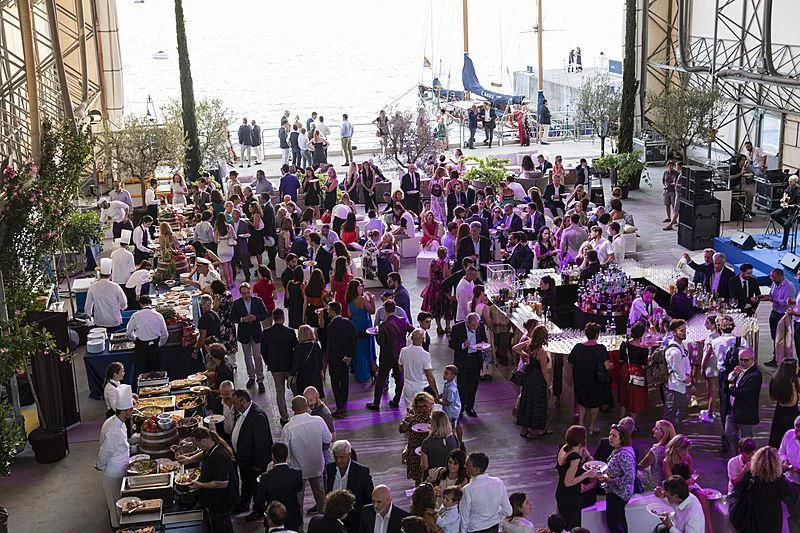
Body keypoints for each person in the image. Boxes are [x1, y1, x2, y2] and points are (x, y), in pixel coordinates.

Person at [284, 395, 333, 514]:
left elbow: (284, 450)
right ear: (307, 406)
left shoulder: (288, 428)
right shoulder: (318, 421)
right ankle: (323, 521)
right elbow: (328, 439)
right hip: (316, 467)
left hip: (298, 470)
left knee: (298, 501)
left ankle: (299, 527)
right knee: (321, 497)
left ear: (292, 409)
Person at [95, 385, 133, 530]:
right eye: (130, 410)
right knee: (115, 504)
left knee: (122, 501)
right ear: (124, 411)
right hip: (112, 472)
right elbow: (104, 453)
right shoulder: (113, 429)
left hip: (121, 467)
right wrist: (100, 465)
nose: (132, 412)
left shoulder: (117, 421)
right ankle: (117, 528)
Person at [732, 446, 793, 533]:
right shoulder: (778, 479)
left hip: (752, 518)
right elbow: (787, 496)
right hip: (771, 520)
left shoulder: (750, 475)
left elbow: (739, 491)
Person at [230, 389, 272, 515]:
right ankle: (244, 503)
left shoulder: (257, 416)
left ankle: (258, 509)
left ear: (243, 402)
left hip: (255, 462)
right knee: (246, 482)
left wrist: (258, 464)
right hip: (244, 459)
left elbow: (261, 443)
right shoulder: (243, 412)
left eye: (236, 403)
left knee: (256, 486)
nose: (234, 406)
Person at [368, 300, 412, 411]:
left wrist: (377, 335)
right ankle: (396, 400)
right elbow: (412, 330)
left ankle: (376, 402)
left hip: (387, 356)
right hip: (400, 354)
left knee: (381, 378)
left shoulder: (383, 326)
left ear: (385, 310)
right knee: (399, 378)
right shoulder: (403, 321)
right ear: (395, 309)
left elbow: (381, 342)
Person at [568, 322, 611, 434]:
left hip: (581, 379)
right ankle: (592, 427)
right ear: (597, 335)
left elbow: (570, 362)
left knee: (582, 402)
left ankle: (581, 424)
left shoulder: (578, 347)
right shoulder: (600, 348)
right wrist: (612, 366)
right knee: (594, 404)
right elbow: (607, 366)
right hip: (595, 380)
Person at [325, 440, 375, 533]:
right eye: (336, 457)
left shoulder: (362, 472)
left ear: (349, 455)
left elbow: (369, 498)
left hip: (354, 520)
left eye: (341, 457)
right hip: (333, 518)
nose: (338, 461)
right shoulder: (330, 469)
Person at [554, 425, 598, 530]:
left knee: (564, 524)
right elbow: (568, 482)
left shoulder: (564, 448)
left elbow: (565, 470)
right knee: (573, 526)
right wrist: (586, 474)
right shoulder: (574, 458)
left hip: (561, 492)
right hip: (570, 496)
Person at [459, 452, 512, 533]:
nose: (464, 466)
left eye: (467, 465)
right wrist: (492, 512)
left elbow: (464, 519)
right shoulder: (498, 482)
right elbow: (508, 511)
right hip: (494, 527)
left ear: (476, 469)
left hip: (475, 530)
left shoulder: (467, 490)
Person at [254, 443, 303, 529]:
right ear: (287, 455)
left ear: (273, 456)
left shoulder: (265, 477)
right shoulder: (297, 474)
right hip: (292, 517)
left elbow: (260, 500)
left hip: (273, 518)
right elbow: (299, 488)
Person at [598, 425, 636, 533]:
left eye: (614, 436)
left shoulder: (623, 455)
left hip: (619, 494)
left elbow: (630, 477)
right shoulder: (618, 449)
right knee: (620, 519)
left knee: (613, 523)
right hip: (616, 491)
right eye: (610, 434)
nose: (610, 437)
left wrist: (610, 480)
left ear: (622, 438)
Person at [230, 282, 268, 392]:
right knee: (247, 357)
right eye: (243, 293)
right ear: (240, 294)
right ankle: (251, 377)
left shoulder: (258, 301)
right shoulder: (236, 304)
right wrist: (242, 320)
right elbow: (232, 317)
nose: (246, 295)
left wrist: (255, 317)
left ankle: (260, 379)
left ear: (250, 291)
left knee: (257, 357)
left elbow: (265, 314)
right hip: (244, 334)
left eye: (247, 292)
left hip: (256, 333)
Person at [449, 313, 488, 417]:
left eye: (477, 326)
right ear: (467, 323)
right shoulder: (457, 328)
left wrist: (482, 345)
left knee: (473, 385)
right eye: (473, 326)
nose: (475, 328)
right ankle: (460, 408)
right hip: (463, 360)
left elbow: (484, 339)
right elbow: (451, 344)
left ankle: (470, 407)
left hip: (475, 359)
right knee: (462, 385)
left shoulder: (480, 327)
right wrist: (462, 345)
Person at [724, 347, 762, 451]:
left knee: (747, 441)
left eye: (746, 360)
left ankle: (747, 460)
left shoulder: (755, 375)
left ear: (752, 359)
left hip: (745, 412)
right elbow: (726, 381)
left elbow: (744, 393)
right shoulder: (738, 370)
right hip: (733, 409)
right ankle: (737, 454)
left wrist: (731, 388)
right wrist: (732, 375)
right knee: (728, 433)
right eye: (741, 359)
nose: (743, 362)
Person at [326, 301, 356, 417]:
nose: (327, 311)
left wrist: (342, 357)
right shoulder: (348, 323)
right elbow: (354, 340)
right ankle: (344, 401)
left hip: (335, 360)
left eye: (328, 310)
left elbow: (333, 345)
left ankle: (339, 407)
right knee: (344, 381)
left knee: (335, 383)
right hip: (347, 360)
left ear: (333, 311)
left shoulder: (331, 326)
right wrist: (349, 356)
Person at [125, 295, 168, 373]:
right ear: (151, 303)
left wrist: (134, 338)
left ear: (140, 304)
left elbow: (128, 333)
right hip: (154, 345)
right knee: (155, 371)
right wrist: (159, 344)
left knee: (141, 370)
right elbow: (165, 334)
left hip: (141, 346)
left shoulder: (136, 315)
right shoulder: (158, 315)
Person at [763, 268, 796, 367]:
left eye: (774, 277)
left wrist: (772, 299)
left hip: (783, 315)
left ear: (781, 276)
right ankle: (776, 357)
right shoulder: (774, 283)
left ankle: (783, 361)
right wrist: (765, 296)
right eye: (771, 277)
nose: (772, 279)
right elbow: (771, 295)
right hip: (774, 312)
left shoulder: (789, 286)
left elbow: (785, 303)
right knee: (774, 337)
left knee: (782, 339)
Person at [346, 280, 378, 384]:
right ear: (356, 289)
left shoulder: (349, 300)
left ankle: (359, 373)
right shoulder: (362, 299)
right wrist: (372, 300)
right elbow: (372, 311)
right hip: (365, 325)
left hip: (356, 327)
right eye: (360, 287)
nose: (361, 288)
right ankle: (369, 371)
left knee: (359, 349)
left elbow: (350, 315)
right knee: (368, 348)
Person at [400, 392, 435, 484]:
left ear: (429, 405)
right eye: (418, 407)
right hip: (414, 451)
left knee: (428, 476)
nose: (421, 409)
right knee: (417, 477)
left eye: (424, 406)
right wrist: (407, 421)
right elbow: (401, 430)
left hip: (428, 452)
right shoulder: (412, 415)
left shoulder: (434, 417)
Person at [399, 329, 439, 409]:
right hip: (421, 388)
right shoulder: (425, 355)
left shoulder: (403, 351)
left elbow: (400, 366)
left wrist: (408, 372)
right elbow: (429, 376)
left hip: (407, 387)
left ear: (412, 338)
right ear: (423, 339)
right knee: (422, 412)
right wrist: (435, 393)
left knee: (410, 410)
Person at [85, 258, 128, 329]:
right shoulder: (115, 286)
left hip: (99, 321)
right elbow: (123, 303)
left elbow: (88, 306)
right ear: (110, 275)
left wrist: (88, 316)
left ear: (99, 275)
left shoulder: (92, 286)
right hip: (114, 320)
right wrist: (122, 308)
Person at [420, 411, 459, 481]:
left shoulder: (427, 442)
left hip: (433, 477)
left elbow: (425, 466)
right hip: (450, 477)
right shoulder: (454, 438)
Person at [770, 359, 800, 448]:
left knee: (777, 439)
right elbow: (792, 401)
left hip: (779, 413)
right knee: (791, 441)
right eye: (796, 366)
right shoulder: (794, 382)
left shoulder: (776, 380)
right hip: (791, 415)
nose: (798, 368)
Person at [291, 325, 324, 397]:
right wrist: (321, 372)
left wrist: (292, 375)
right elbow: (320, 361)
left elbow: (295, 364)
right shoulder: (315, 346)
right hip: (315, 376)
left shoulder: (298, 348)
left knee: (305, 397)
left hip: (303, 377)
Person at [771, 174, 800, 251]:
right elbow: (785, 191)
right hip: (786, 208)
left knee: (786, 225)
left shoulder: (798, 191)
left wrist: (789, 206)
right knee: (773, 215)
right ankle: (786, 225)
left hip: (794, 211)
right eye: (789, 181)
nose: (789, 183)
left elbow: (798, 205)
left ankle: (784, 244)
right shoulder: (790, 187)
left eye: (791, 182)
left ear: (796, 182)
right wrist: (783, 198)